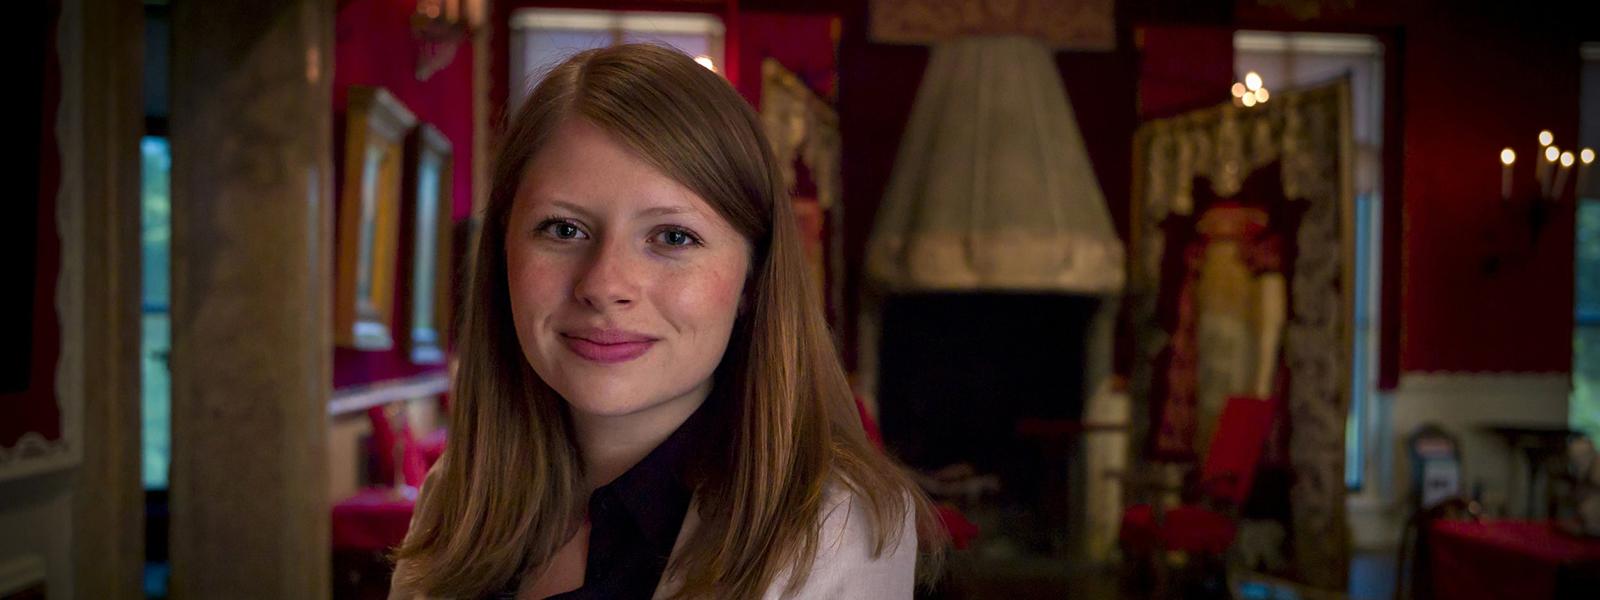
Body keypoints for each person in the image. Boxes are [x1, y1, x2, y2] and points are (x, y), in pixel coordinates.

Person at [389, 43, 944, 599]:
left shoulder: (838, 530)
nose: (605, 285)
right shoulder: (455, 498)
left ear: (753, 279)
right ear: (501, 254)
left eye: (673, 237)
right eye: (563, 229)